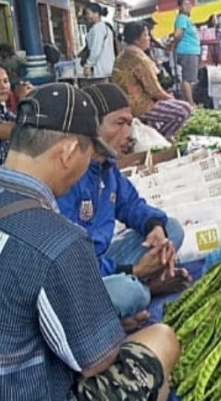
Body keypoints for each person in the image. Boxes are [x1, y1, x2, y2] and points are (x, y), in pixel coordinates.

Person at [0, 82, 180, 400]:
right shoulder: (60, 240)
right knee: (161, 339)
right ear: (69, 152)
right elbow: (97, 361)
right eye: (88, 152)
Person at [58, 82, 189, 323]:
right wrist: (134, 271)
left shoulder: (107, 169)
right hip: (78, 281)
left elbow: (131, 205)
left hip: (104, 261)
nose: (128, 135)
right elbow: (71, 267)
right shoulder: (70, 176)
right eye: (120, 123)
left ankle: (136, 294)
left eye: (129, 123)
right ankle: (145, 289)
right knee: (131, 293)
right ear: (92, 125)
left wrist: (154, 227)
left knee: (171, 229)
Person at [112, 22, 192, 140]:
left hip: (124, 102)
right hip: (140, 105)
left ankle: (157, 136)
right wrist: (171, 98)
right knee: (184, 109)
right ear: (137, 40)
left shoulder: (122, 56)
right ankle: (162, 138)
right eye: (146, 35)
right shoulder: (139, 59)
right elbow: (155, 91)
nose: (148, 39)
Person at [173, 0, 201, 105]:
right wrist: (173, 43)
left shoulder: (185, 18)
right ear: (180, 6)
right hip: (187, 51)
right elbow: (178, 34)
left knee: (187, 78)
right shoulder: (182, 18)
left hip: (189, 51)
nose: (188, 6)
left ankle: (187, 102)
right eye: (185, 4)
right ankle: (190, 103)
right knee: (188, 79)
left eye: (189, 4)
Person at [81, 3, 117, 85]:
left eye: (88, 13)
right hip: (107, 68)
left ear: (96, 14)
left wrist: (88, 65)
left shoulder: (97, 29)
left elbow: (95, 49)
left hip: (99, 70)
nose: (86, 16)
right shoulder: (106, 27)